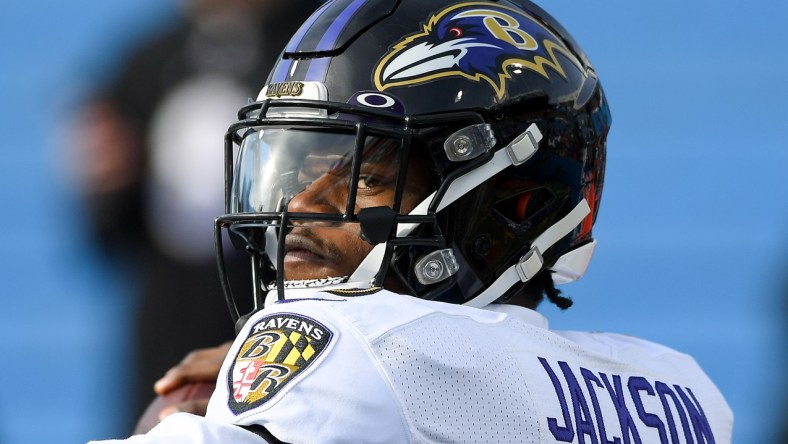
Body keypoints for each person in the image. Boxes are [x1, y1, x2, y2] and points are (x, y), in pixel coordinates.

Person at [92, 0, 734, 442]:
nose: (297, 207)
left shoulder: (351, 349)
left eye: (367, 177)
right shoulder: (683, 397)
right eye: (293, 174)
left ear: (506, 202)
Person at [72, 0, 317, 422]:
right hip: (172, 321)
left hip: (288, 313)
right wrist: (107, 184)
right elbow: (111, 237)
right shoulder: (147, 60)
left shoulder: (321, 43)